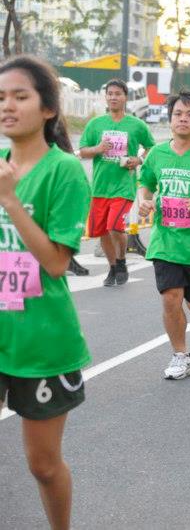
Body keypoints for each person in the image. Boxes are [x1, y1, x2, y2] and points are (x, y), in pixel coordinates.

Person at [0, 55, 92, 530]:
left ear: (49, 109)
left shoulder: (64, 172)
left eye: (20, 96)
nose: (7, 107)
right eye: (1, 98)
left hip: (42, 342)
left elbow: (56, 263)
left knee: (42, 464)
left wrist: (11, 201)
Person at [138, 91, 190, 380]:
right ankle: (180, 355)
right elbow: (146, 184)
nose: (183, 119)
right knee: (170, 298)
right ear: (170, 118)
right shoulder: (158, 154)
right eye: (178, 114)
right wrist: (144, 200)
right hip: (165, 240)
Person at [78, 78, 155, 286]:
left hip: (123, 186)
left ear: (125, 97)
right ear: (106, 97)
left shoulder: (136, 125)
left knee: (115, 226)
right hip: (100, 187)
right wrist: (97, 149)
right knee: (101, 231)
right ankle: (113, 268)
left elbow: (151, 149)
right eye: (110, 93)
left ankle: (121, 262)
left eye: (117, 94)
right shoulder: (96, 124)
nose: (113, 97)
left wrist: (138, 160)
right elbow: (83, 151)